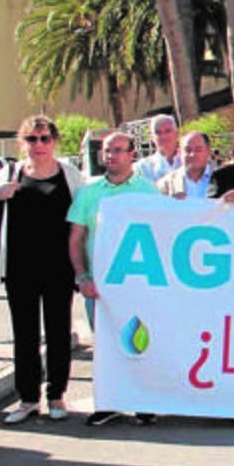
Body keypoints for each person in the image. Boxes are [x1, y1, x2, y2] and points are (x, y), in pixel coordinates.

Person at [0, 116, 86, 424]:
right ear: (23, 143)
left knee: (57, 332)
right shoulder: (10, 172)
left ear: (54, 142)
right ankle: (28, 399)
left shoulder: (70, 175)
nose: (39, 145)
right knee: (25, 335)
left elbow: (88, 215)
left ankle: (56, 396)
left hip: (58, 268)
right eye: (32, 139)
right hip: (19, 267)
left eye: (44, 139)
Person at [66, 131, 160, 427]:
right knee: (105, 349)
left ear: (132, 154)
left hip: (139, 286)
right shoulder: (89, 193)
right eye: (107, 151)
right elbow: (76, 238)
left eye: (118, 150)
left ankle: (143, 402)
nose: (111, 156)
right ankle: (108, 403)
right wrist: (82, 276)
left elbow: (164, 233)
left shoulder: (148, 191)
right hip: (99, 287)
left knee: (141, 345)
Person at [156, 131, 213, 199]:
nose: (193, 154)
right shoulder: (166, 184)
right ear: (180, 153)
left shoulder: (224, 182)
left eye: (198, 150)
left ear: (208, 152)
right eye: (188, 150)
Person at [136, 114, 181, 183]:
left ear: (177, 134)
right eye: (158, 133)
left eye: (168, 131)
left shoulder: (190, 160)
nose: (163, 136)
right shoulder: (143, 167)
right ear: (152, 137)